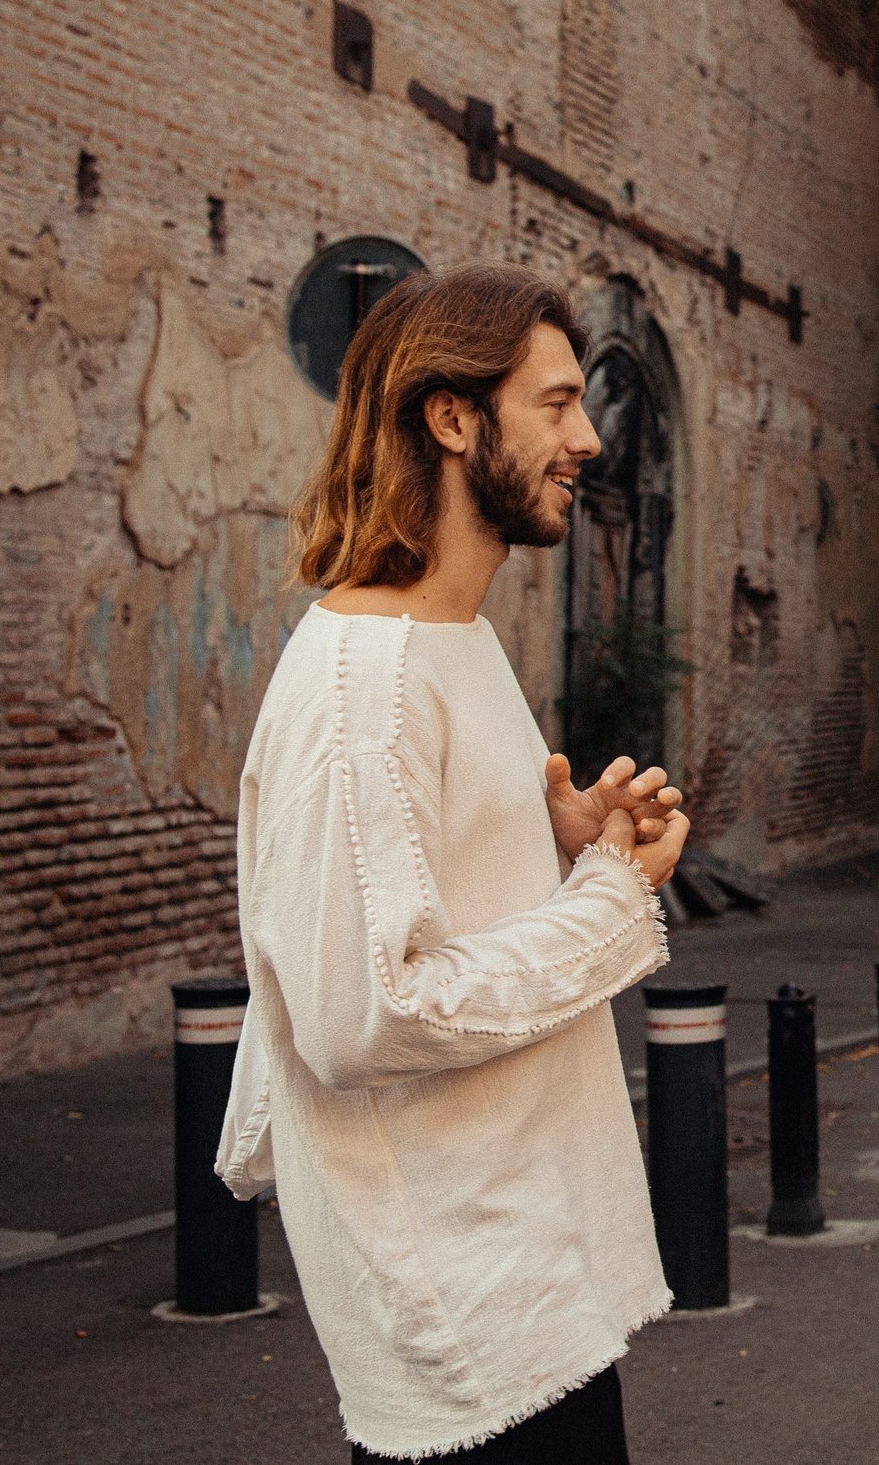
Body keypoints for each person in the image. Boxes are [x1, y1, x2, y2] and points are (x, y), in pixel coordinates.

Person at [214, 262, 691, 1463]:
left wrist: (557, 843)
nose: (587, 439)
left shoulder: (455, 644)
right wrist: (610, 899)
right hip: (459, 1302)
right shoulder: (359, 688)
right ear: (451, 417)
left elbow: (425, 896)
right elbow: (365, 1011)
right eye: (556, 403)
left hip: (531, 1266)